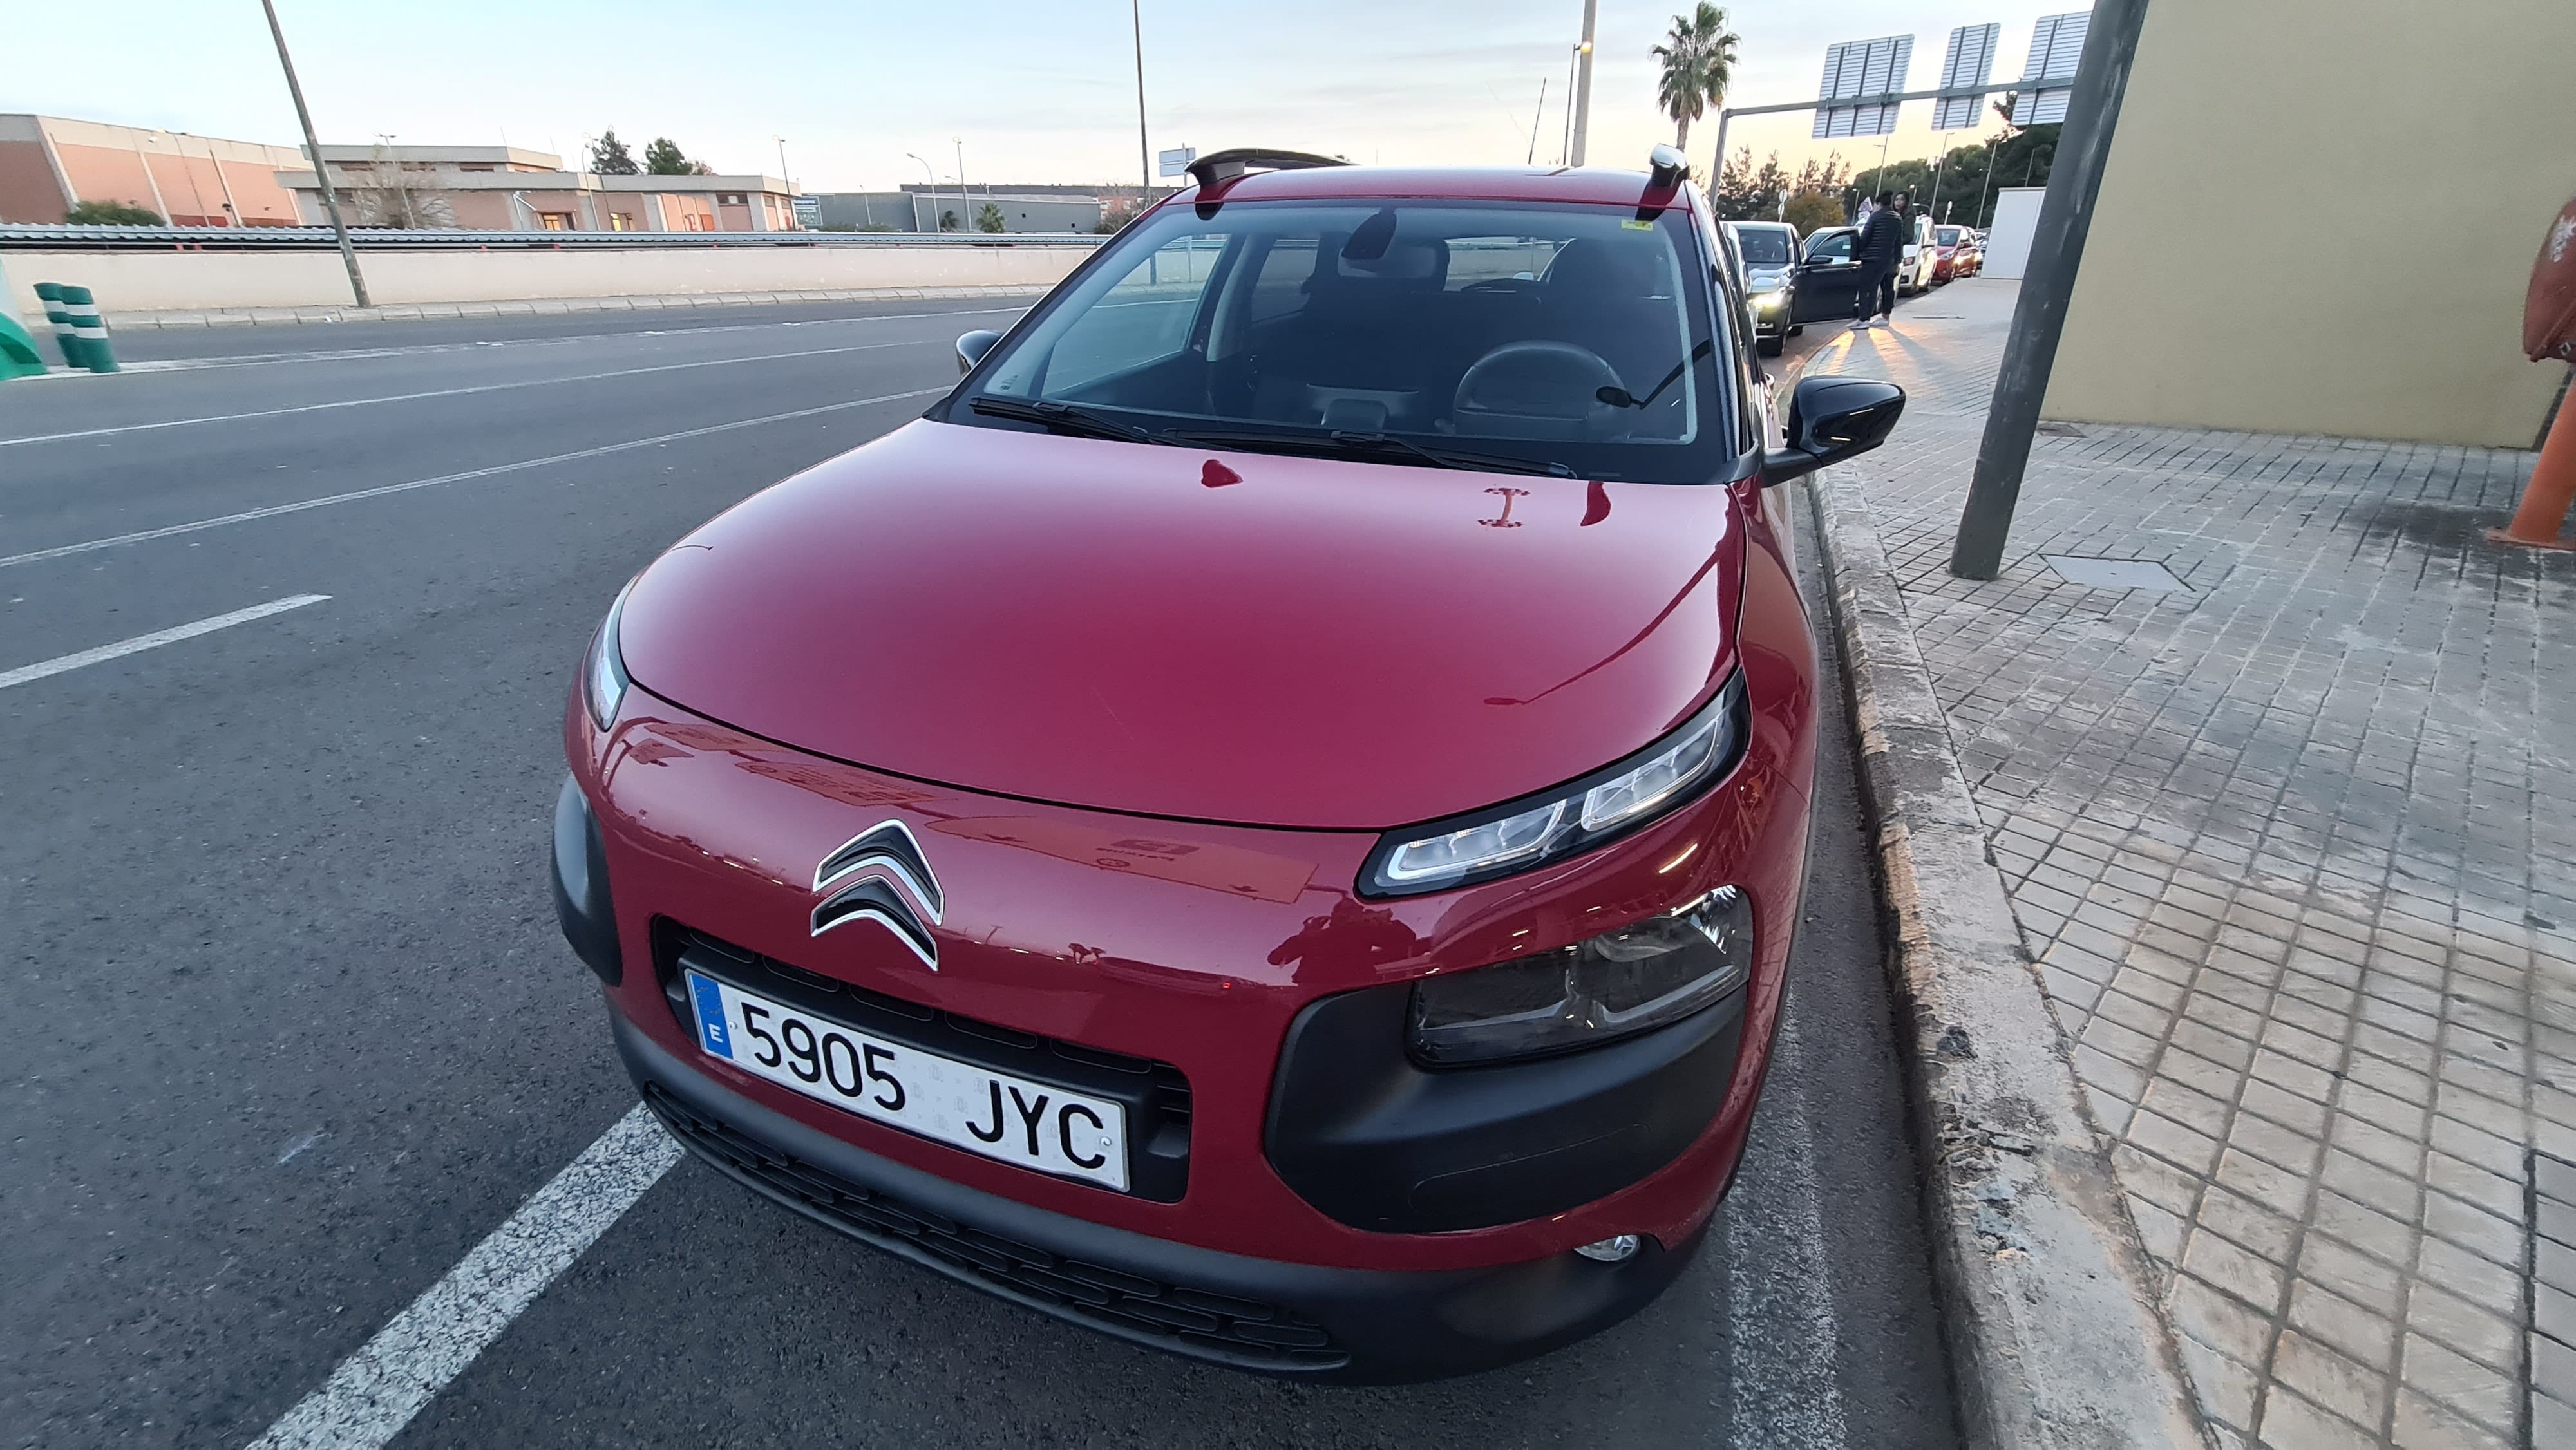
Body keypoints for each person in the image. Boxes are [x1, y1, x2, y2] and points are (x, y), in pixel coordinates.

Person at [1852, 190, 1906, 329]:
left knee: (1865, 288)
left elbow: (1865, 237)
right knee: (1879, 287)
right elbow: (1898, 242)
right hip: (1887, 260)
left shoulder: (1875, 217)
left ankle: (1864, 319)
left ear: (1879, 203)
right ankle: (1871, 318)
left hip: (1871, 258)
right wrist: (1897, 259)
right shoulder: (1897, 218)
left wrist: (1858, 251)